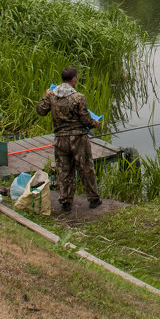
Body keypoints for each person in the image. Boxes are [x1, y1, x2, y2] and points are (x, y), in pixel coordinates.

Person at [38, 66, 101, 212]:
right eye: (76, 78)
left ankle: (66, 202)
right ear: (73, 79)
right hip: (78, 138)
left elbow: (41, 111)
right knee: (86, 168)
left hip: (60, 139)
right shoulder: (79, 97)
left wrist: (45, 95)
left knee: (64, 170)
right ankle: (93, 200)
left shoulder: (52, 96)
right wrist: (95, 123)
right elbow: (85, 119)